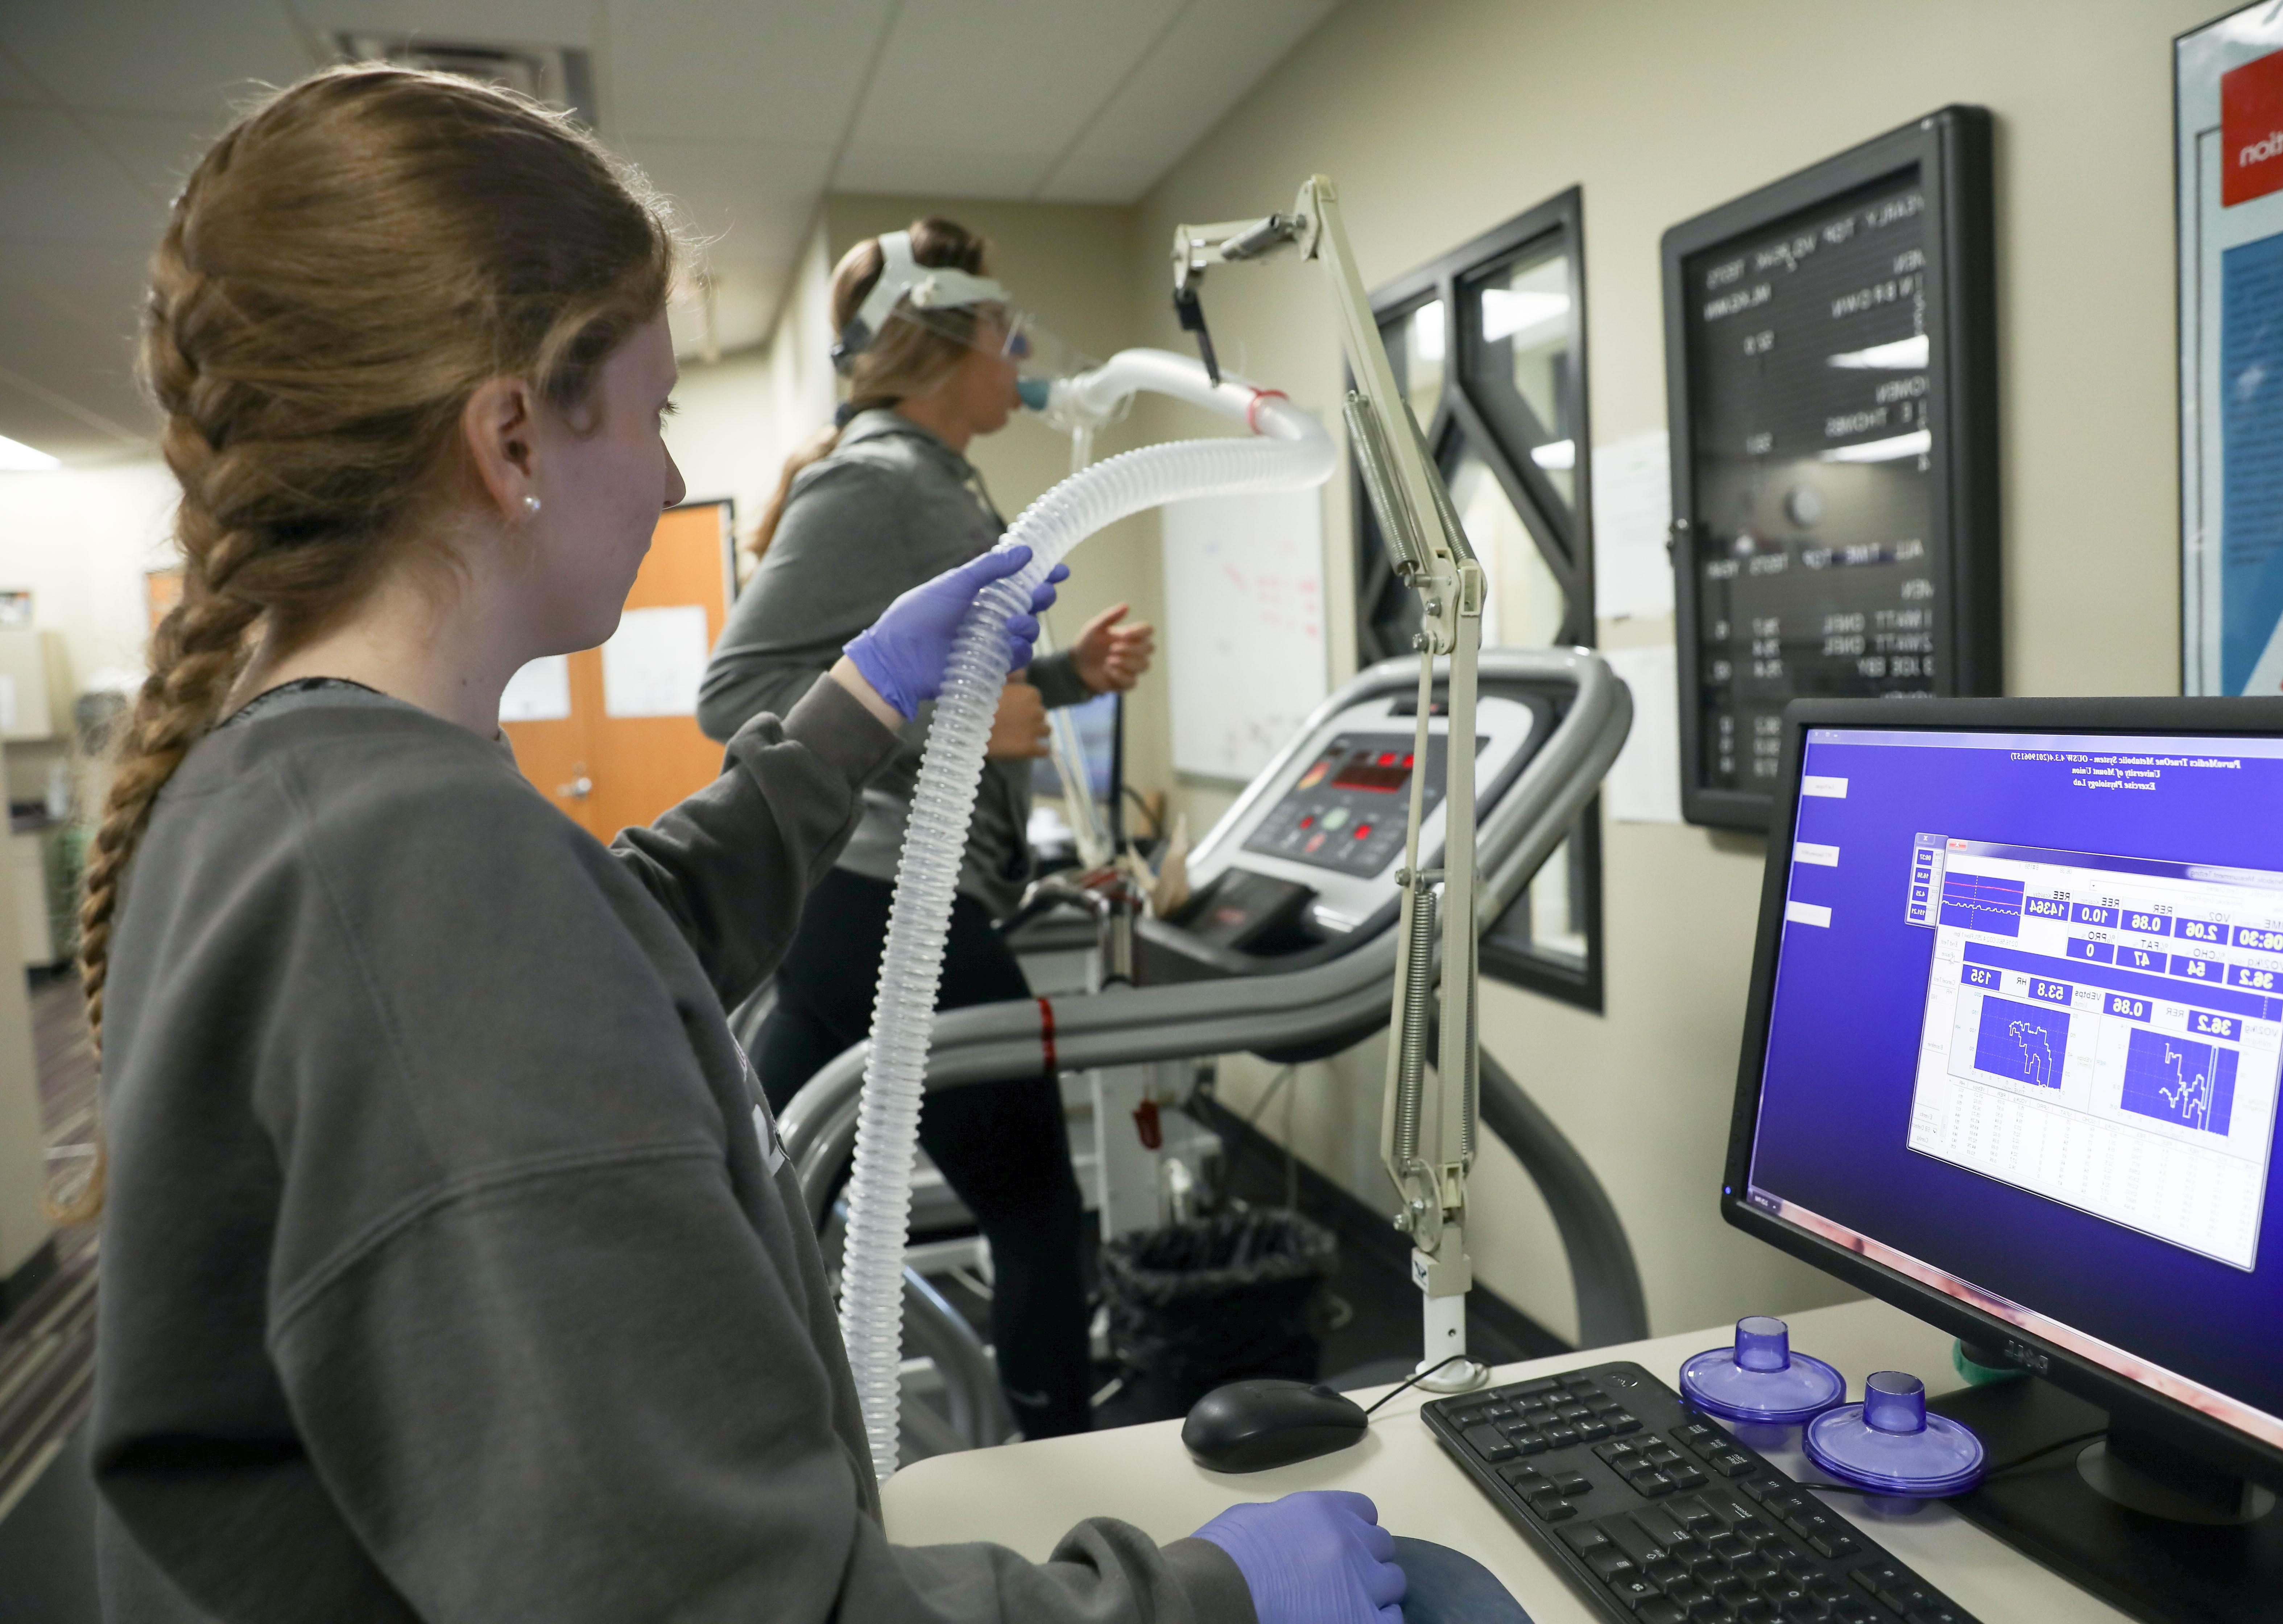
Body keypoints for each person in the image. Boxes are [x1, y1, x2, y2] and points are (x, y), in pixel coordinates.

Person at [80, 65, 1402, 1624]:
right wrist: (1205, 1601)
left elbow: (600, 942)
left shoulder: (284, 805)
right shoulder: (413, 867)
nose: (675, 478)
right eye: (650, 415)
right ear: (511, 439)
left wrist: (858, 704)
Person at [699, 219, 1151, 1441]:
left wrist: (1059, 680)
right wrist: (966, 717)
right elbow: (733, 701)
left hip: (858, 900)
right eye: (1006, 328)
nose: (1023, 353)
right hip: (894, 897)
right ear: (954, 332)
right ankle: (1064, 1465)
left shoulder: (936, 477)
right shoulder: (879, 478)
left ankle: (723, 1424)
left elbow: (945, 683)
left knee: (760, 1189)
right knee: (1039, 1213)